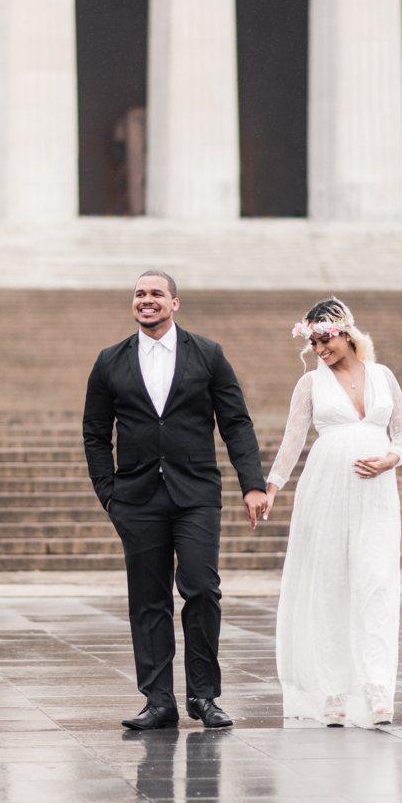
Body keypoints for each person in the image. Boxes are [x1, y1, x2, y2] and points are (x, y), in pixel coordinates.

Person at [83, 271, 268, 731]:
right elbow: (94, 432)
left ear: (175, 303)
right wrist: (108, 493)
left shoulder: (207, 354)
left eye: (156, 294)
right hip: (137, 496)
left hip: (196, 494)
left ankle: (204, 697)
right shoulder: (110, 361)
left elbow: (236, 423)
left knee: (202, 590)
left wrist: (253, 483)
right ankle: (158, 700)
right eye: (140, 294)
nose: (147, 301)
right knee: (148, 600)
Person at [264, 297, 402, 729]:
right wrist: (272, 486)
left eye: (324, 338)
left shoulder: (383, 377)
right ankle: (331, 691)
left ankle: (377, 687)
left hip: (377, 492)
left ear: (347, 332)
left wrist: (392, 457)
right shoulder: (311, 384)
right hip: (325, 489)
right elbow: (293, 439)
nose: (319, 348)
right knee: (329, 584)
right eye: (312, 341)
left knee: (375, 581)